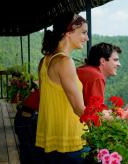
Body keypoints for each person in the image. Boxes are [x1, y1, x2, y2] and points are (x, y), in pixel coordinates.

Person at [35, 12, 89, 163]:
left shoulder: (45, 60)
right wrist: (121, 114)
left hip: (52, 138)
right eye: (84, 32)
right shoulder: (65, 62)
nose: (87, 38)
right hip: (70, 141)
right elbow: (80, 110)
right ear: (69, 32)